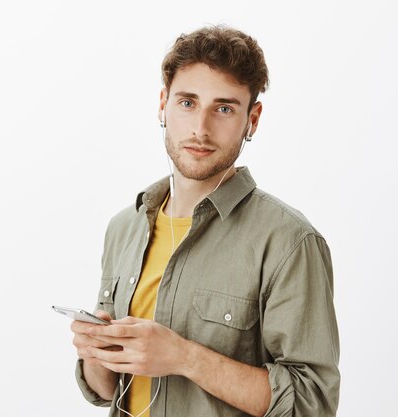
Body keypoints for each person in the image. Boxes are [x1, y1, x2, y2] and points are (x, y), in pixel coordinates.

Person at [69, 25, 340, 417]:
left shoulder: (289, 241)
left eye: (224, 108)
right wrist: (96, 353)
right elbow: (104, 391)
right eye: (187, 103)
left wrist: (183, 357)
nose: (200, 128)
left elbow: (313, 404)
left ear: (253, 119)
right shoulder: (124, 227)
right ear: (163, 104)